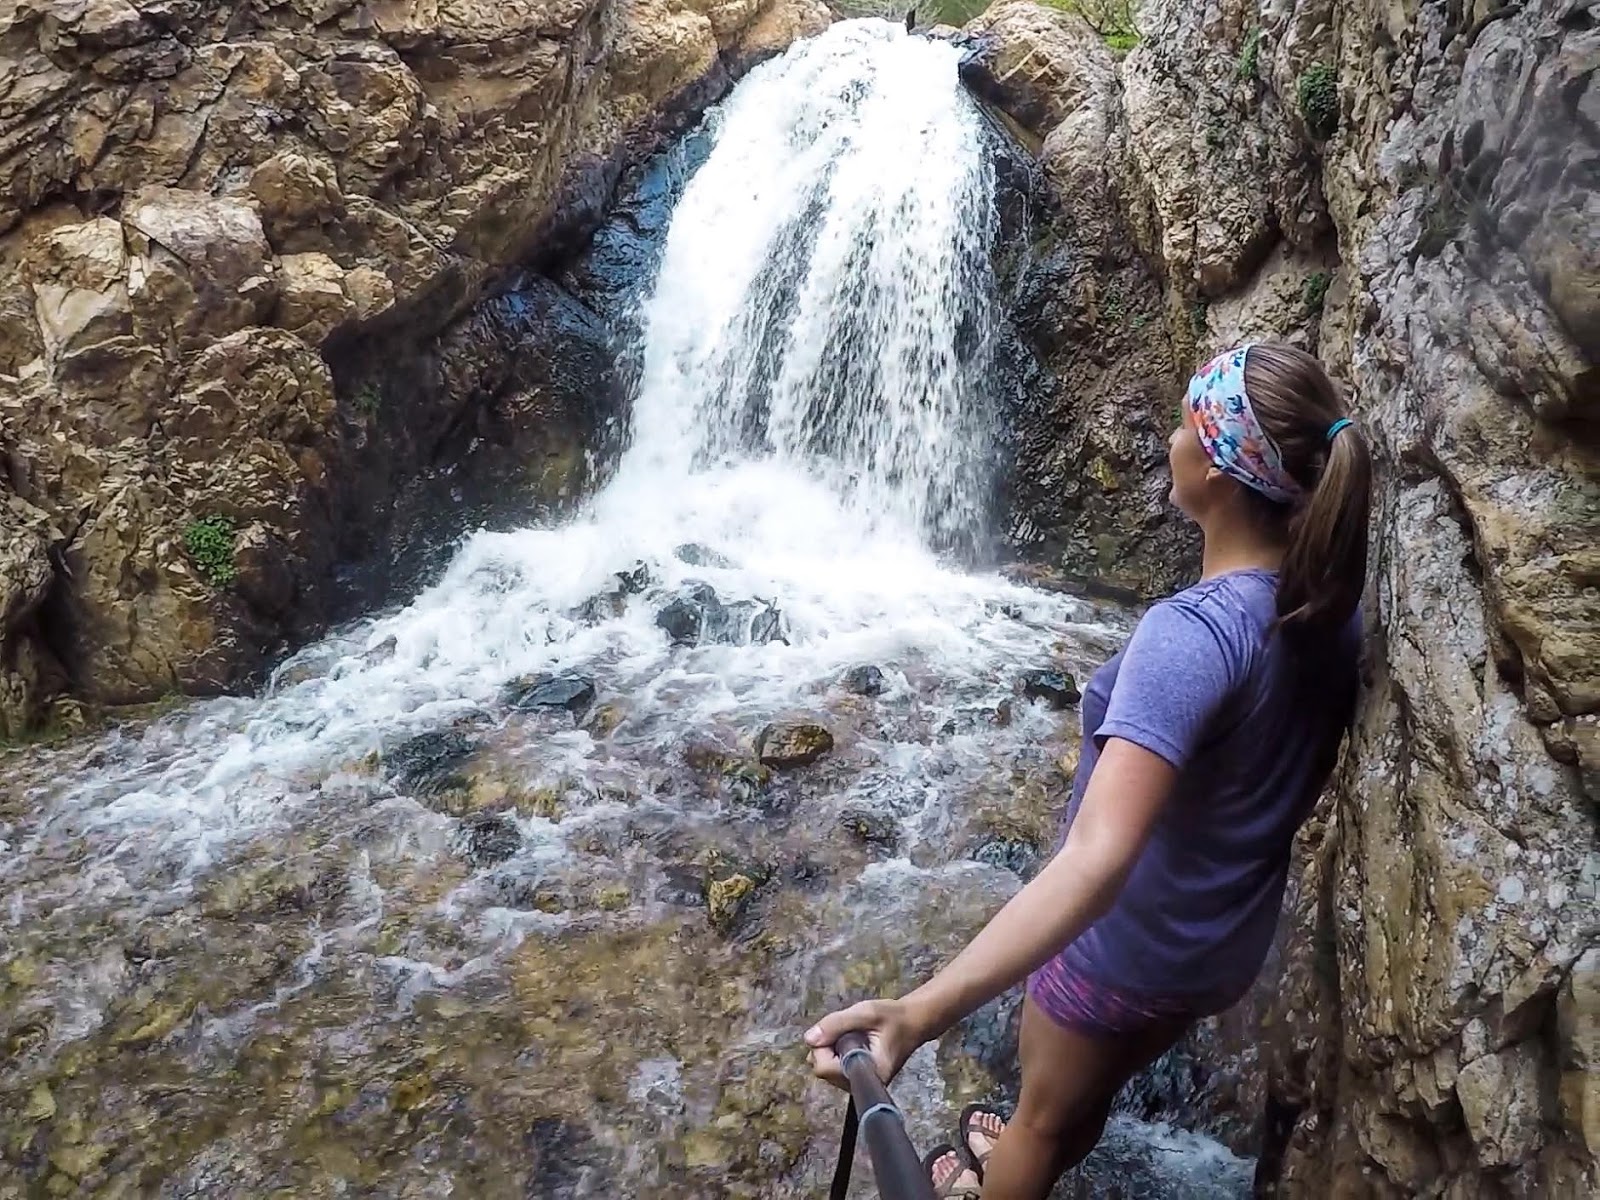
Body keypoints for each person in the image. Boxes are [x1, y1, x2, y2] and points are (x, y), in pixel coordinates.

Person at [805, 342, 1371, 1198]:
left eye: (1185, 424)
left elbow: (1097, 861)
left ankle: (998, 1176)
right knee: (1083, 1091)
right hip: (1216, 945)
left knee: (1038, 1119)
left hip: (1126, 950)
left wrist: (919, 1012)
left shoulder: (1193, 635)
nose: (1168, 440)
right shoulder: (1328, 610)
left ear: (1217, 473)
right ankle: (1054, 1126)